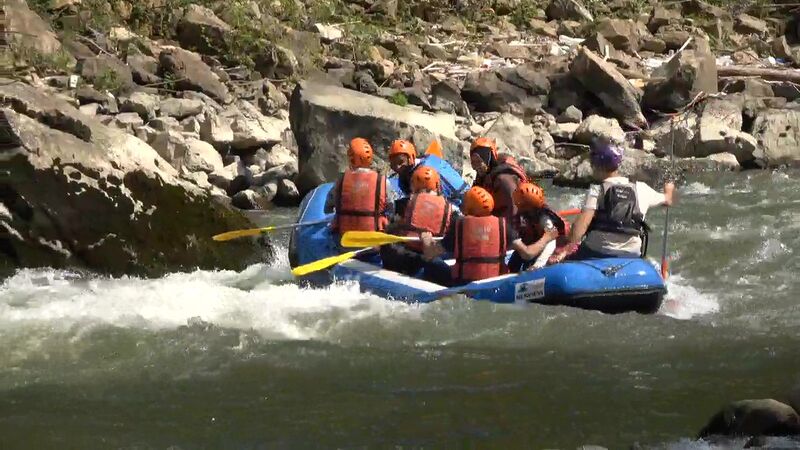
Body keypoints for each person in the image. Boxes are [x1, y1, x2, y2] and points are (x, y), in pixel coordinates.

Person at [550, 140, 675, 262]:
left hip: (598, 251)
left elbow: (581, 225)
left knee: (563, 256)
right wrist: (669, 188)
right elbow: (667, 200)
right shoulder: (641, 188)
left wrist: (566, 248)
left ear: (595, 165)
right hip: (632, 253)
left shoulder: (597, 190)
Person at [420, 186, 539, 287]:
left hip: (464, 284)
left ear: (469, 208)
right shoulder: (503, 225)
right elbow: (527, 254)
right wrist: (548, 237)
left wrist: (426, 239)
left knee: (432, 263)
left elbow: (430, 254)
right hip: (495, 282)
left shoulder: (459, 226)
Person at [380, 167, 459, 276]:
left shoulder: (403, 204)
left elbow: (389, 229)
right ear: (438, 186)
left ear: (413, 185)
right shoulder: (451, 209)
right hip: (428, 261)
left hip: (401, 258)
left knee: (387, 246)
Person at [331, 137, 390, 234]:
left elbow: (328, 207)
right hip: (374, 237)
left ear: (351, 159)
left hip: (344, 237)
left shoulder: (340, 181)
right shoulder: (383, 181)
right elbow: (391, 209)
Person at [507, 182, 568, 272]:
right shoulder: (523, 216)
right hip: (535, 243)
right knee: (514, 261)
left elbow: (551, 240)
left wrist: (538, 264)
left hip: (555, 248)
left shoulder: (545, 219)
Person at [470, 137, 528, 222]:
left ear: (489, 158)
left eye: (479, 161)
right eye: (473, 163)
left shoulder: (505, 180)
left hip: (515, 221)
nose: (476, 167)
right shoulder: (483, 175)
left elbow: (513, 213)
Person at [386, 139, 419, 217]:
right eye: (394, 164)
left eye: (401, 162)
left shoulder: (422, 171)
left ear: (411, 158)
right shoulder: (403, 175)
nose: (397, 167)